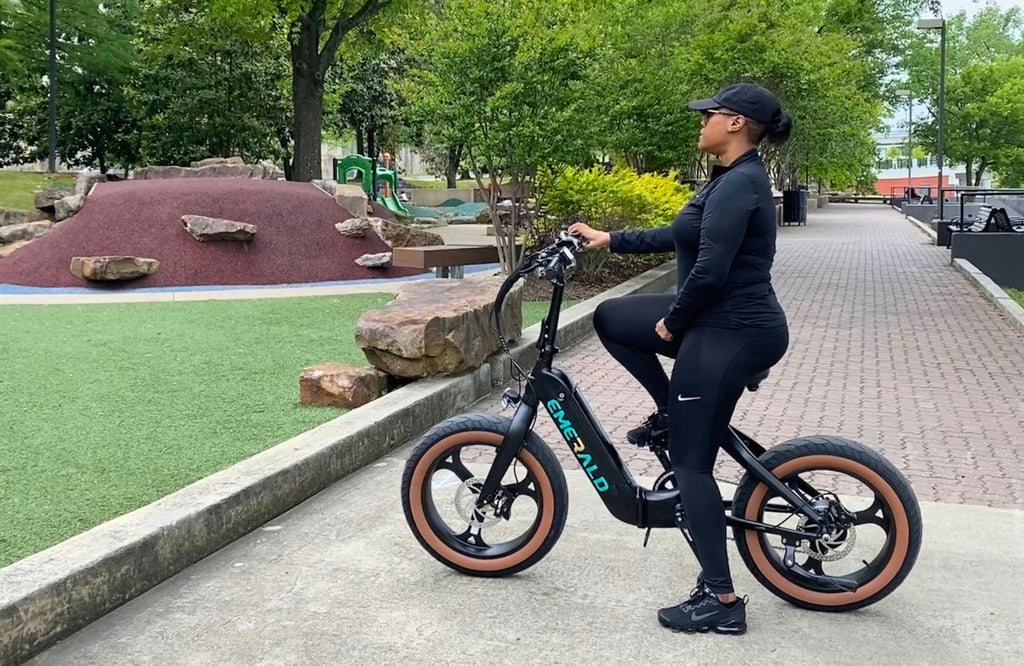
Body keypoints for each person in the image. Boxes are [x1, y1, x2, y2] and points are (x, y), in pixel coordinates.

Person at [568, 82, 793, 635]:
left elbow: (711, 272)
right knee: (611, 318)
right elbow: (678, 236)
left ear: (736, 123)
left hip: (731, 328)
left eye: (709, 115)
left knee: (692, 462)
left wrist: (674, 322)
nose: (701, 122)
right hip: (719, 318)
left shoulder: (742, 183)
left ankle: (721, 599)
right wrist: (607, 238)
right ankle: (673, 410)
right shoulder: (726, 181)